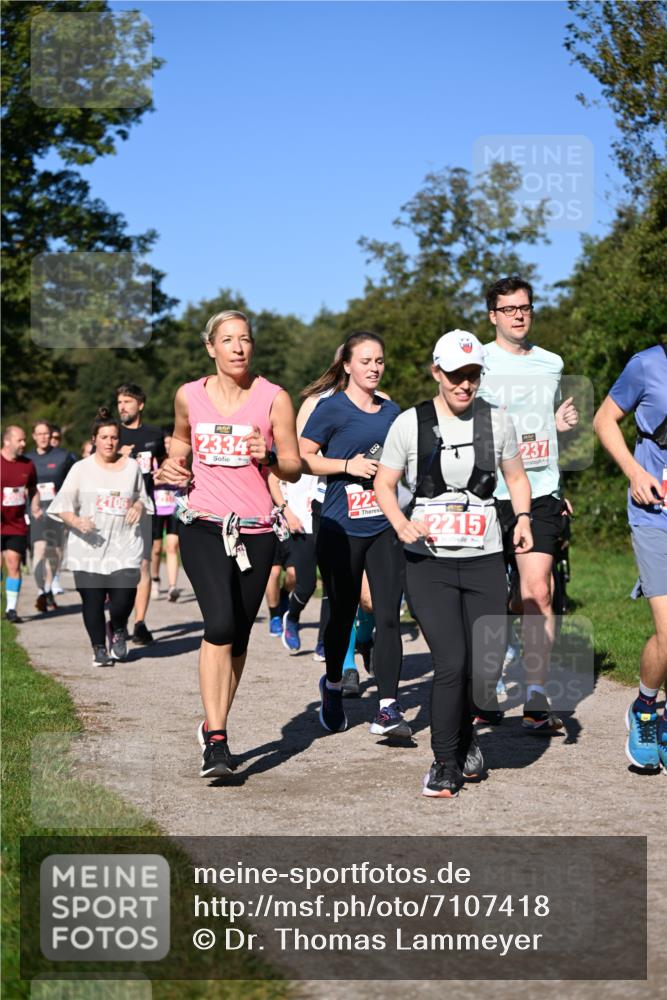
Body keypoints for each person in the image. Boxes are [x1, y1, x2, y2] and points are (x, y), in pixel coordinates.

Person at [375, 330, 533, 797]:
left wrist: (522, 518)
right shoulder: (411, 423)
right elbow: (385, 484)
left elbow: (516, 477)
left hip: (485, 557)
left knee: (482, 668)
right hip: (429, 562)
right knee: (451, 662)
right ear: (436, 372)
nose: (465, 385)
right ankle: (444, 762)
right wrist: (401, 524)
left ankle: (465, 740)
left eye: (473, 376)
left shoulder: (496, 421)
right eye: (456, 376)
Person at [155, 310, 301, 780]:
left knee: (237, 634)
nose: (238, 347)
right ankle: (217, 742)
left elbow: (295, 465)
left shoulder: (274, 399)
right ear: (210, 347)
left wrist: (272, 455)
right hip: (201, 523)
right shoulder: (189, 395)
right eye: (227, 339)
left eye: (245, 339)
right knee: (218, 623)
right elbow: (179, 442)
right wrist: (173, 466)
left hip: (255, 532)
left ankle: (213, 724)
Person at [478, 275, 577, 732]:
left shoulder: (551, 364)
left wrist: (555, 429)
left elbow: (539, 426)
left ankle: (536, 697)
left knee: (539, 591)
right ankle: (487, 676)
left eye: (526, 307)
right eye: (510, 308)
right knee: (494, 597)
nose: (519, 315)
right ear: (493, 315)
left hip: (539, 493)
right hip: (486, 493)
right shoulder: (477, 361)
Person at [300, 331, 408, 737]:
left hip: (384, 524)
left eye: (379, 361)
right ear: (347, 365)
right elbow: (304, 459)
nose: (374, 368)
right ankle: (331, 685)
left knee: (388, 616)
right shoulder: (331, 410)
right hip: (341, 527)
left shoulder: (392, 411)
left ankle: (388, 707)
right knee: (343, 614)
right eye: (365, 361)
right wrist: (348, 466)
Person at [593, 343, 667, 772]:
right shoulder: (647, 364)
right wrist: (635, 471)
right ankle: (643, 710)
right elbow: (604, 420)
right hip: (654, 513)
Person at [47, 408, 151, 666]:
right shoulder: (81, 469)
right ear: (94, 439)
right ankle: (98, 649)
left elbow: (141, 498)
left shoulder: (132, 468)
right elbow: (61, 505)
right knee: (92, 601)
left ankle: (117, 628)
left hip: (124, 546)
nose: (109, 442)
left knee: (123, 600)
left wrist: (137, 507)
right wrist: (76, 521)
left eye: (114, 437)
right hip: (88, 549)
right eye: (104, 437)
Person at [116, 383, 167, 644]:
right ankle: (120, 620)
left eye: (127, 402)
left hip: (145, 510)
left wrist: (163, 472)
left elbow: (165, 462)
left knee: (143, 566)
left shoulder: (155, 435)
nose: (122, 406)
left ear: (140, 405)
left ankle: (139, 623)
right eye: (120, 402)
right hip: (115, 514)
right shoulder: (111, 436)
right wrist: (117, 457)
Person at [26, 420, 75, 612]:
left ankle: (48, 588)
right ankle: (40, 592)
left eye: (46, 433)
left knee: (55, 554)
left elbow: (73, 483)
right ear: (34, 437)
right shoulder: (27, 459)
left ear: (51, 435)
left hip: (58, 511)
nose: (43, 437)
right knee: (39, 550)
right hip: (36, 511)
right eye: (39, 434)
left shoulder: (64, 457)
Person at [268, 470, 318, 653]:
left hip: (324, 522)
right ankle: (284, 617)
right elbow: (272, 480)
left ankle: (324, 645)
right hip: (293, 524)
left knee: (331, 586)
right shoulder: (295, 446)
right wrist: (287, 513)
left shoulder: (334, 447)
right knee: (300, 582)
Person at [1, 426, 41, 622]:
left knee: (14, 564)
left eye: (25, 440)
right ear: (7, 441)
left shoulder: (28, 465)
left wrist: (35, 507)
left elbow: (33, 488)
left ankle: (11, 610)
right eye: (20, 440)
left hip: (16, 524)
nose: (24, 444)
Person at [151, 432, 182, 602]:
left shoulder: (179, 463)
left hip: (173, 508)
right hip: (157, 509)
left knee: (172, 546)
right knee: (156, 549)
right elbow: (148, 482)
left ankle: (172, 587)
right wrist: (160, 479)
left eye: (171, 443)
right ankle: (155, 579)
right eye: (166, 443)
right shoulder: (153, 462)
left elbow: (185, 481)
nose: (169, 446)